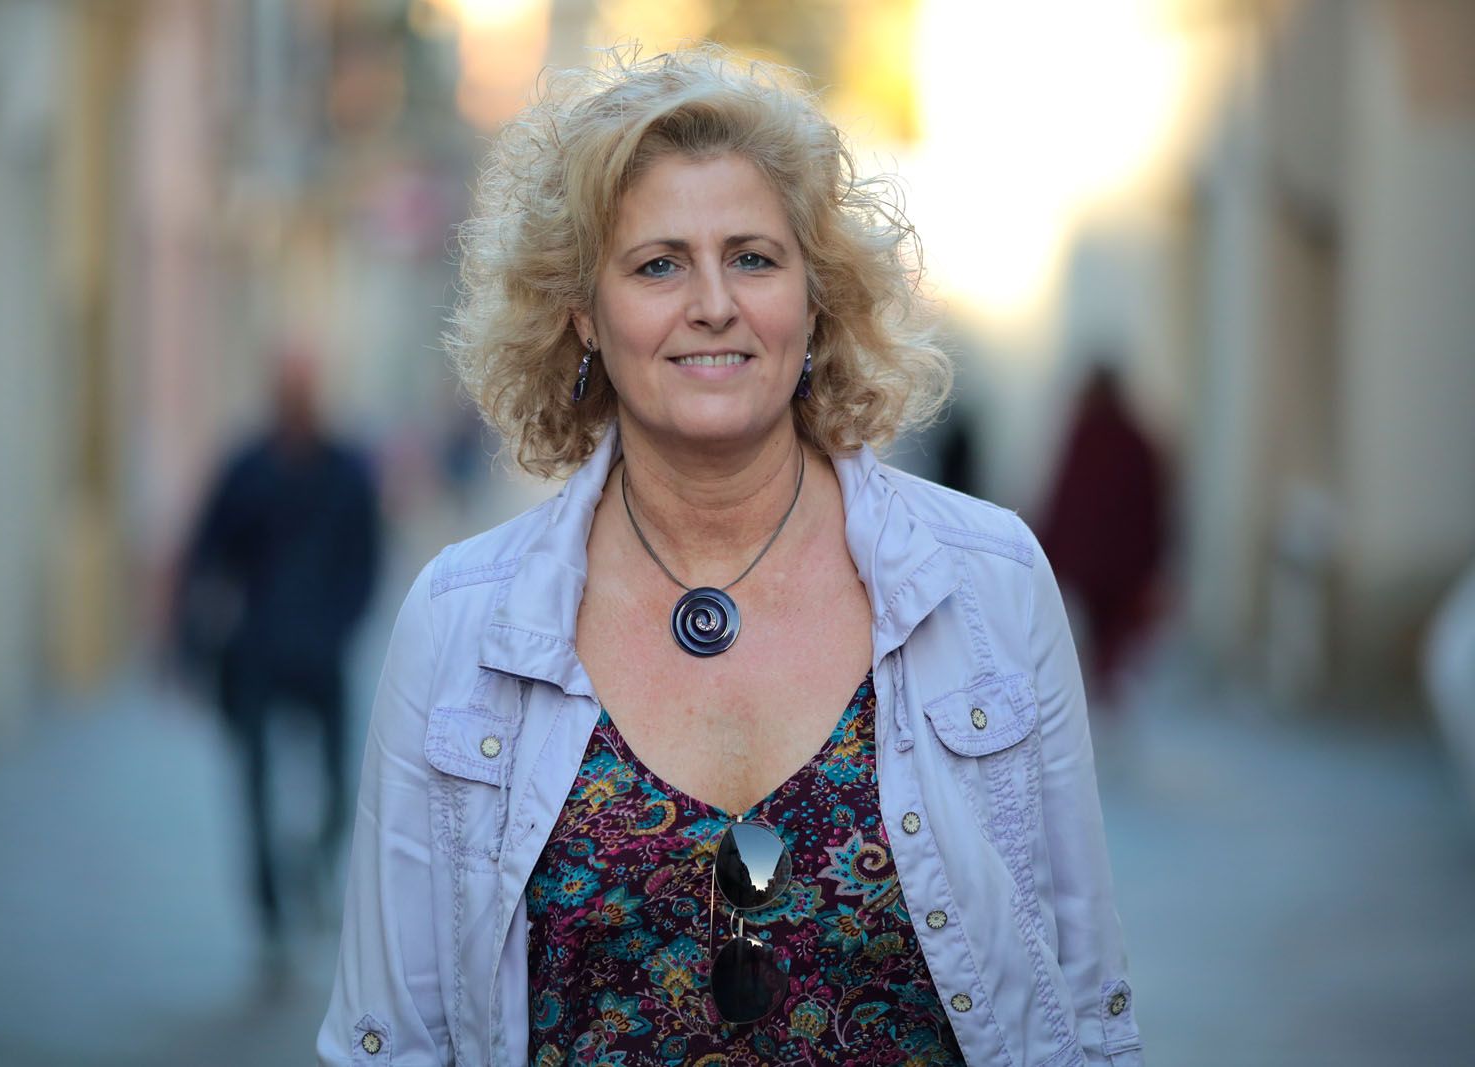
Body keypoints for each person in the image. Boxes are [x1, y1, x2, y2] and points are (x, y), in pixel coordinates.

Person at [320, 47, 1143, 1066]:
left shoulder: (988, 582)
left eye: (752, 257)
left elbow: (1086, 1008)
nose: (712, 302)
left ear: (814, 297)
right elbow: (391, 1038)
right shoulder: (458, 623)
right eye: (657, 263)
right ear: (582, 310)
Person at [175, 350, 379, 961]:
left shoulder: (346, 470)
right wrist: (194, 642)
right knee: (254, 786)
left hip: (322, 653)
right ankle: (270, 912)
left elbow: (366, 558)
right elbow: (205, 554)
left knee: (342, 787)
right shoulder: (247, 467)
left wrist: (342, 623)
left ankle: (312, 866)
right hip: (256, 655)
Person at [1038, 363, 1167, 705]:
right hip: (1123, 561)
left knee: (1101, 633)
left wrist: (1050, 546)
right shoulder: (1136, 442)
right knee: (1110, 636)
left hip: (1092, 560)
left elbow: (1065, 497)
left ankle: (1101, 693)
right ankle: (1105, 693)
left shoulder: (1090, 438)